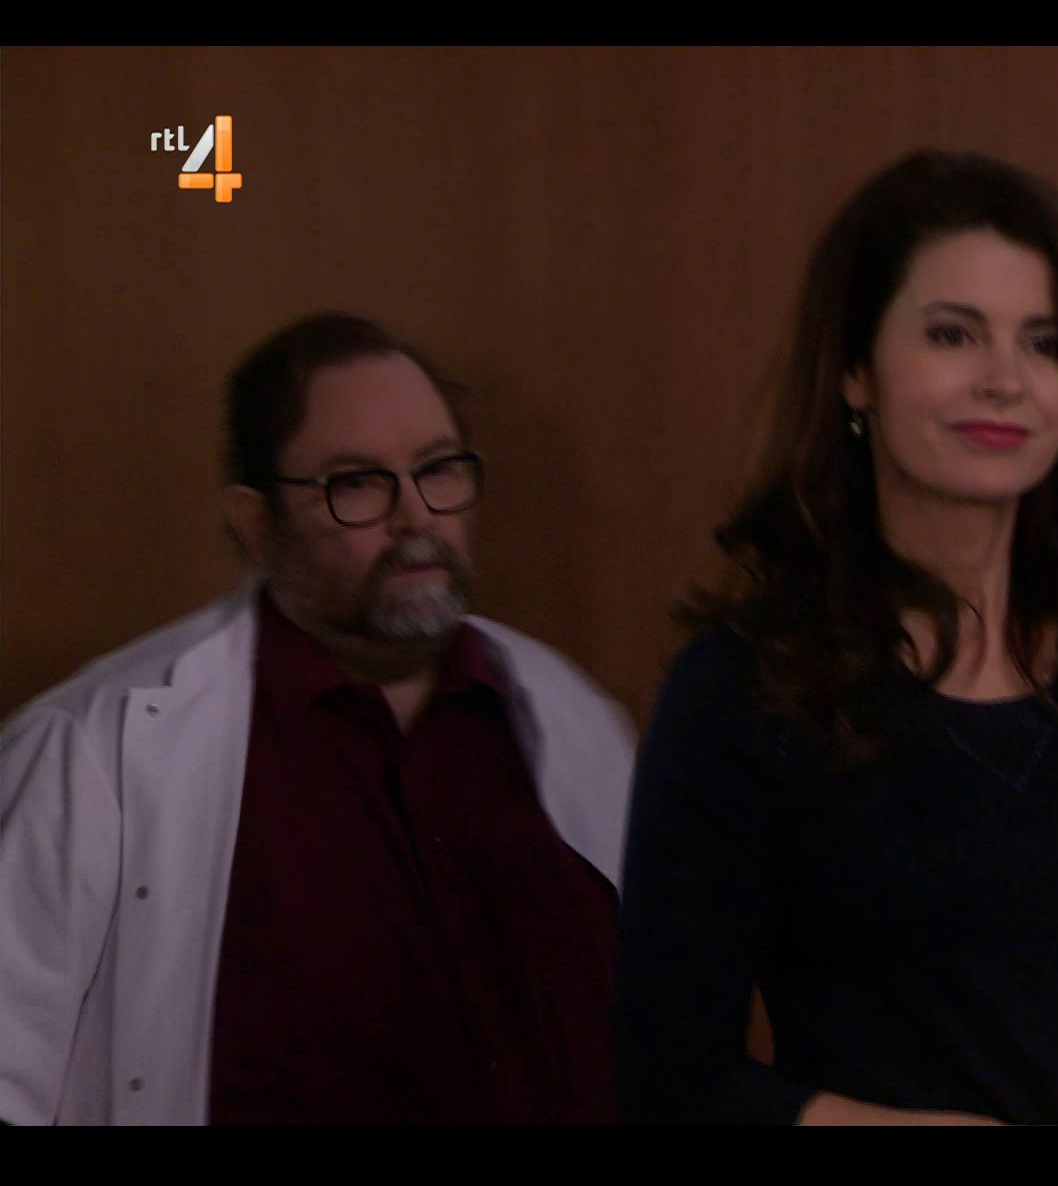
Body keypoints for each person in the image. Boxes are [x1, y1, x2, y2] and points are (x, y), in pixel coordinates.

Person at [614, 150, 1058, 1126]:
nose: (1005, 380)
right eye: (952, 334)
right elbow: (672, 1079)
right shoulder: (743, 686)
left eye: (1045, 343)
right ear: (856, 372)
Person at [0, 312, 636, 1125]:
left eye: (438, 469)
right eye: (358, 483)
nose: (417, 518)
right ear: (258, 523)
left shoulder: (572, 719)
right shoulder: (94, 752)